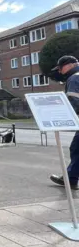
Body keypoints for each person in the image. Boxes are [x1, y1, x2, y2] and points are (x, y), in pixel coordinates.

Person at [50, 55, 79, 190]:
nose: (60, 71)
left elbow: (73, 102)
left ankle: (71, 179)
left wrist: (62, 119)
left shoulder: (74, 78)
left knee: (77, 148)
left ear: (70, 65)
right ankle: (71, 178)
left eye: (60, 68)